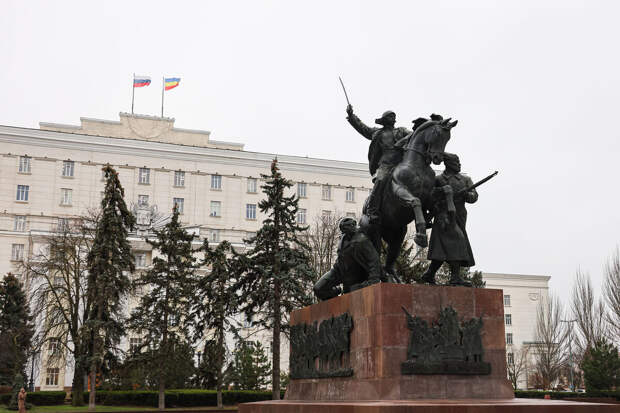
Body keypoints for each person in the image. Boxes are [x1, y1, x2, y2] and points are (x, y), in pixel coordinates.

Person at [346, 105, 412, 224]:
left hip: (400, 164)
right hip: (385, 165)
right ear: (384, 120)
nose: (393, 118)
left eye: (394, 116)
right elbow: (363, 128)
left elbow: (413, 135)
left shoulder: (401, 131)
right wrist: (351, 116)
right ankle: (372, 210)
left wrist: (404, 140)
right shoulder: (377, 132)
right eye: (390, 116)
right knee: (380, 181)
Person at [421, 153, 478, 286]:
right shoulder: (438, 179)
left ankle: (430, 274)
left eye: (459, 162)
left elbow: (474, 197)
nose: (459, 165)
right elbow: (429, 196)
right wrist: (442, 191)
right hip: (443, 215)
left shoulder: (465, 179)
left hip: (459, 215)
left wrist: (467, 194)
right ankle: (455, 277)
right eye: (456, 162)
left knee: (442, 247)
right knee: (458, 241)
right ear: (448, 163)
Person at [313, 217, 382, 300]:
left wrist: (373, 281)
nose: (347, 232)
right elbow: (341, 256)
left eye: (350, 227)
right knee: (318, 288)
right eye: (344, 230)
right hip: (338, 271)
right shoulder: (343, 239)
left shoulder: (362, 241)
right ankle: (337, 296)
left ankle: (341, 301)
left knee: (351, 295)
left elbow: (374, 261)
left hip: (355, 277)